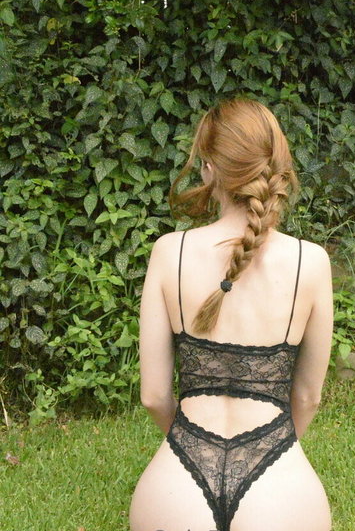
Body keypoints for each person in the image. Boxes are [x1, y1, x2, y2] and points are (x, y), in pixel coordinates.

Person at [129, 97, 334, 531]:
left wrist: (190, 444)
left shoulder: (169, 252)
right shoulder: (311, 262)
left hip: (177, 478)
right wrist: (280, 448)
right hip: (278, 478)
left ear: (208, 167)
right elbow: (307, 397)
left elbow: (154, 396)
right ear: (277, 167)